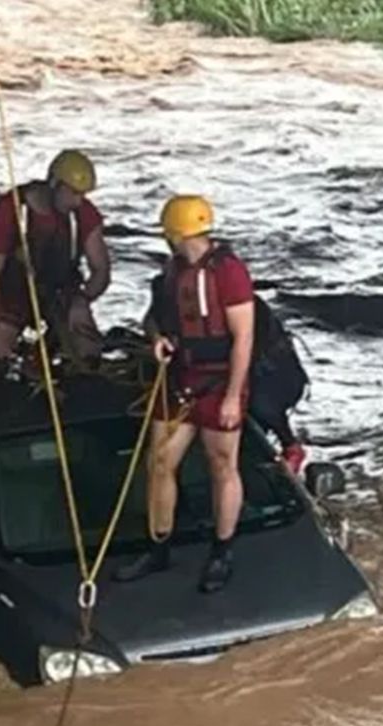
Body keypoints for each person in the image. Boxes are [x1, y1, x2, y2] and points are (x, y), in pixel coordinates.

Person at [114, 195, 254, 593]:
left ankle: (222, 551)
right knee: (159, 462)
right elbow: (153, 318)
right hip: (180, 380)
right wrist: (158, 338)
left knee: (221, 464)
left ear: (175, 233)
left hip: (219, 382)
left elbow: (244, 337)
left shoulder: (230, 273)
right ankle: (158, 548)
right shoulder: (172, 273)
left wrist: (231, 397)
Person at [143, 265, 311, 475]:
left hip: (269, 369)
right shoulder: (165, 287)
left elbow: (246, 348)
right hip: (204, 370)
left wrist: (228, 392)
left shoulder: (238, 300)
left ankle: (290, 446)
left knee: (259, 403)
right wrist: (157, 337)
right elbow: (151, 319)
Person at [0, 149, 111, 370]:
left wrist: (82, 299)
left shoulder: (83, 214)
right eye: (73, 193)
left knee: (87, 346)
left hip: (60, 293)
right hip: (13, 293)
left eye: (82, 195)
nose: (78, 202)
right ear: (54, 184)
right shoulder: (9, 211)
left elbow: (101, 270)